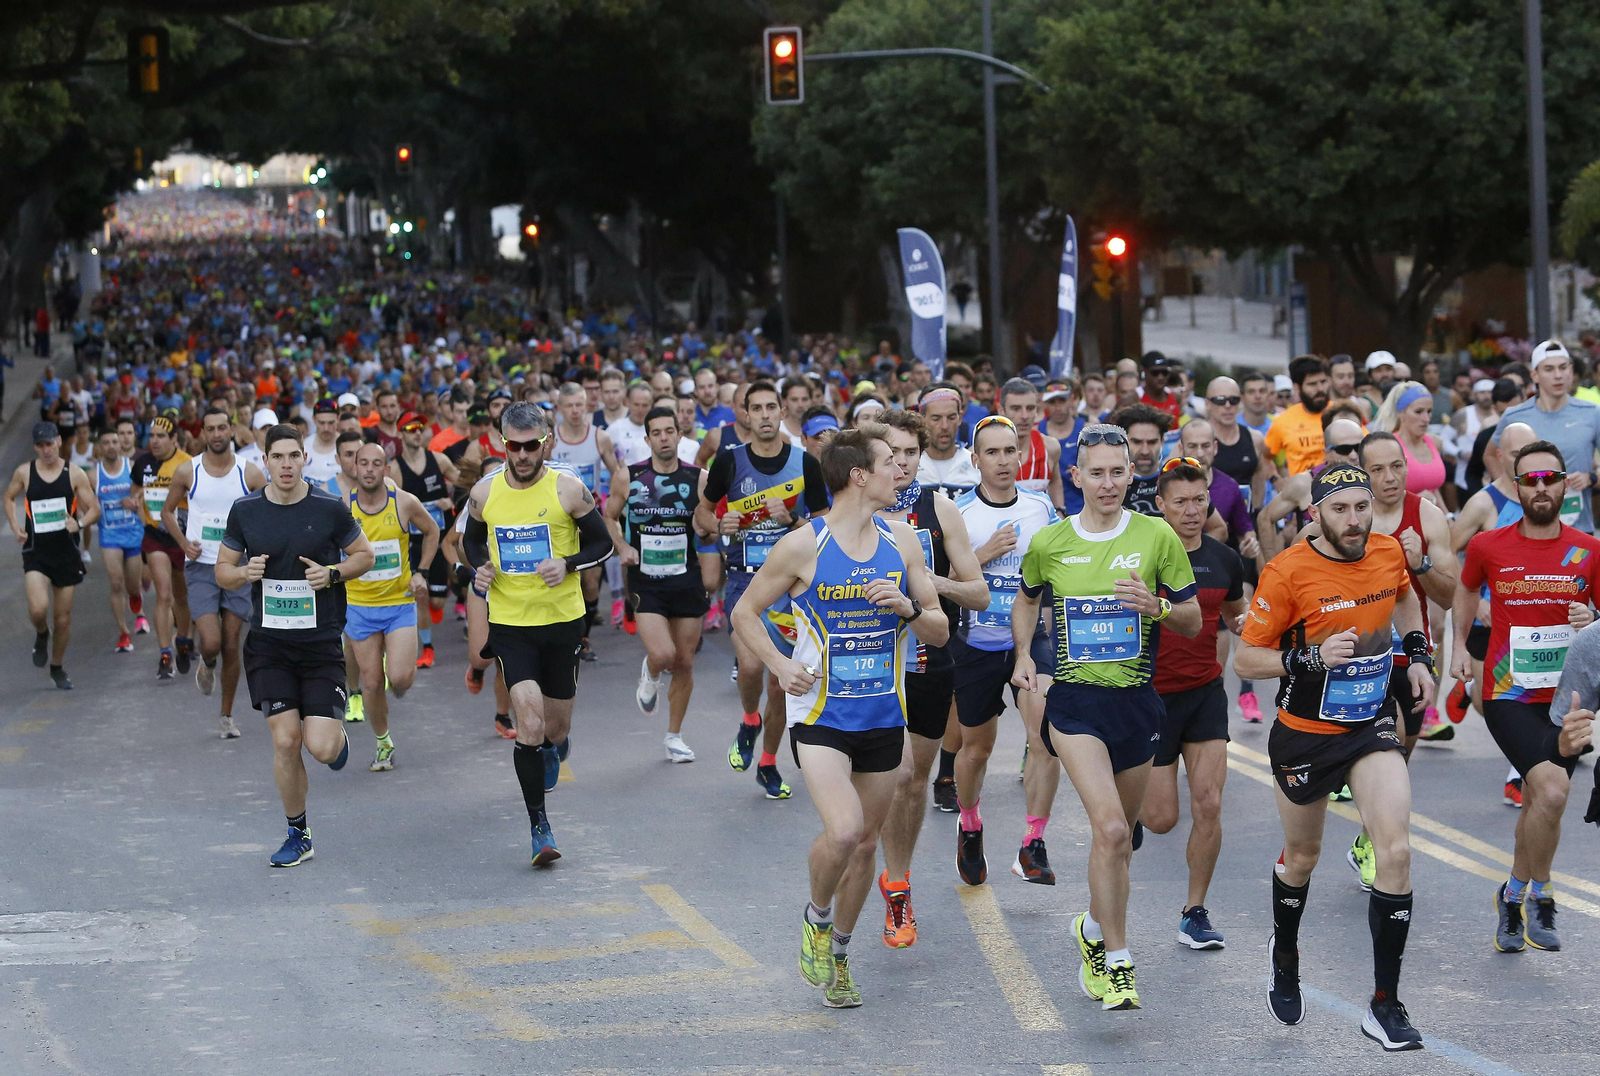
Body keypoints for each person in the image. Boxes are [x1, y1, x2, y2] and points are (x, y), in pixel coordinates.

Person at [730, 424, 947, 1009]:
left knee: (867, 842)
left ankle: (842, 954)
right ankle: (817, 917)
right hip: (820, 711)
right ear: (858, 475)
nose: (898, 470)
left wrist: (906, 608)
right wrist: (777, 663)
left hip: (883, 711)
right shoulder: (805, 544)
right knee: (845, 829)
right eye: (887, 462)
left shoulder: (902, 541)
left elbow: (939, 626)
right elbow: (744, 611)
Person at [1235, 464, 1433, 1051]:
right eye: (1340, 509)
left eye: (1362, 507)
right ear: (1316, 511)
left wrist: (1417, 654)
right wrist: (1312, 658)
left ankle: (1384, 1004)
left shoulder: (1386, 551)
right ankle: (1286, 950)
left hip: (1369, 726)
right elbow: (1247, 660)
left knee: (1394, 849)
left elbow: (1403, 601)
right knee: (1303, 856)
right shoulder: (1288, 570)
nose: (1354, 520)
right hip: (1304, 734)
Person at [1010, 426, 1201, 1012]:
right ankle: (1116, 961)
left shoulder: (1157, 536)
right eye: (1097, 472)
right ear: (1077, 477)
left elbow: (1193, 619)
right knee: (1112, 829)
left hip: (1136, 705)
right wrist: (1022, 654)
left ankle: (1093, 928)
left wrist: (1158, 606)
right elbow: (1026, 598)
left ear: (1130, 474)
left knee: (1124, 841)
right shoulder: (1051, 542)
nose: (1110, 483)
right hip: (1074, 707)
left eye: (1119, 472)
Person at [1452, 439, 1600, 954]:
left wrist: (1593, 618)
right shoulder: (1490, 545)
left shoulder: (1589, 549)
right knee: (1553, 790)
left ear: (1566, 483)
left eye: (1550, 478)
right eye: (1530, 480)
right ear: (1516, 487)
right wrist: (1458, 649)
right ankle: (1541, 895)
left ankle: (1512, 896)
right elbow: (1465, 590)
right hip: (1508, 693)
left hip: (1570, 699)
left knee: (1542, 801)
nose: (1541, 487)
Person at [462, 402, 616, 866]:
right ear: (502, 442)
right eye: (515, 445)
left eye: (532, 445)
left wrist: (567, 564)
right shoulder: (484, 493)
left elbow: (602, 542)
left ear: (546, 442)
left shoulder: (567, 488)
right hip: (511, 623)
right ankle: (539, 827)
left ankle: (553, 745)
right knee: (527, 723)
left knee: (555, 726)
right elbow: (471, 540)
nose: (524, 454)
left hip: (562, 621)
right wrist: (480, 567)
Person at [215, 425, 375, 868]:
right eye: (277, 457)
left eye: (293, 456)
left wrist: (334, 574)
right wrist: (243, 573)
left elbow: (365, 555)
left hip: (320, 645)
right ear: (264, 461)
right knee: (286, 741)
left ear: (305, 458)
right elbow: (222, 570)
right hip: (269, 646)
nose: (285, 465)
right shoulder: (245, 510)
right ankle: (298, 833)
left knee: (319, 748)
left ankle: (336, 742)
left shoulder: (328, 507)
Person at [873, 408, 989, 947]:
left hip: (928, 659)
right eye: (890, 453)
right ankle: (877, 878)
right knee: (888, 780)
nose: (900, 464)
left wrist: (922, 580)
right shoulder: (851, 512)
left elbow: (979, 593)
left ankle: (898, 886)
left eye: (910, 453)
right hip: (866, 663)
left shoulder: (939, 509)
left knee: (912, 781)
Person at [696, 381, 828, 800]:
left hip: (790, 587)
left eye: (774, 407)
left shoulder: (805, 463)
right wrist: (719, 524)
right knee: (752, 667)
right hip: (744, 579)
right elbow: (702, 509)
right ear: (746, 416)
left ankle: (768, 762)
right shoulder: (729, 462)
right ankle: (749, 719)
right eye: (758, 408)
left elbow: (825, 520)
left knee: (780, 683)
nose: (767, 415)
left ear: (783, 412)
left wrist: (792, 520)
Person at [948, 415, 1061, 888]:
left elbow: (1058, 575)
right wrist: (986, 554)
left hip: (1030, 642)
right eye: (990, 452)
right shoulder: (958, 512)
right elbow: (941, 586)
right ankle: (970, 824)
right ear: (974, 460)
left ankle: (1033, 844)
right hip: (975, 643)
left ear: (1021, 455)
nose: (1001, 460)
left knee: (1046, 738)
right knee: (977, 749)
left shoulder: (1040, 509)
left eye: (1009, 450)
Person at [1139, 459, 1247, 949]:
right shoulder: (1141, 557)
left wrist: (1249, 626)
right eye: (1179, 502)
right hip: (1152, 696)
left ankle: (1195, 911)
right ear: (1160, 506)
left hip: (1205, 693)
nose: (1190, 510)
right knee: (1160, 819)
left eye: (1198, 500)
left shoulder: (1224, 558)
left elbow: (1233, 612)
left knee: (1210, 802)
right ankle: (1131, 812)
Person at [604, 405, 706, 761]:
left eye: (670, 431)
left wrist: (707, 527)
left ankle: (674, 737)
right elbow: (610, 516)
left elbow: (707, 520)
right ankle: (649, 672)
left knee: (685, 663)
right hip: (645, 579)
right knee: (664, 654)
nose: (664, 438)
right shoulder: (629, 476)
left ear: (680, 434)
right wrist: (623, 546)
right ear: (647, 439)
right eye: (656, 433)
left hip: (687, 577)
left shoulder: (699, 477)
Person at [163, 406, 268, 740]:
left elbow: (269, 514)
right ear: (203, 433)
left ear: (232, 429)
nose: (218, 434)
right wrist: (182, 543)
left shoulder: (249, 474)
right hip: (202, 567)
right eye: (211, 429)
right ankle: (206, 663)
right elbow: (166, 511)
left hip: (236, 568)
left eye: (223, 428)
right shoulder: (187, 471)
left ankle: (226, 716)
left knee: (231, 642)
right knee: (210, 641)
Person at [343, 442, 439, 772]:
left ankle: (395, 676)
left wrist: (422, 572)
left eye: (377, 464)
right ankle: (383, 743)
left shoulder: (404, 502)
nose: (369, 469)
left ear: (386, 469)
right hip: (358, 606)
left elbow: (432, 530)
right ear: (354, 469)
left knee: (400, 679)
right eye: (363, 463)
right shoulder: (343, 507)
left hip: (398, 603)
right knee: (370, 683)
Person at [5, 422, 99, 689]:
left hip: (66, 552)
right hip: (36, 551)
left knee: (63, 617)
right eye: (40, 445)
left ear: (59, 441)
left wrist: (79, 524)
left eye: (50, 444)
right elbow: (9, 497)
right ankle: (41, 632)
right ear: (35, 446)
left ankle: (57, 667)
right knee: (38, 608)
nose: (46, 450)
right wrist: (14, 524)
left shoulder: (75, 474)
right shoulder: (25, 472)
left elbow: (94, 509)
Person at [1492, 339, 1600, 534]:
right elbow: (1491, 456)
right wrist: (1508, 493)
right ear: (1534, 375)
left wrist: (1591, 477)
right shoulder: (1514, 416)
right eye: (1549, 369)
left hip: (1579, 527)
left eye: (1563, 368)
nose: (1558, 375)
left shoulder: (1592, 412)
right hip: (1527, 527)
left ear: (1571, 371)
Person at [550, 382, 623, 648]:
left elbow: (617, 475)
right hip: (558, 520)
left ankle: (584, 637)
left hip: (589, 517)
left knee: (591, 584)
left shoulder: (599, 437)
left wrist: (613, 511)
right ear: (560, 409)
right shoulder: (552, 439)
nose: (575, 411)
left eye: (579, 405)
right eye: (569, 406)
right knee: (565, 580)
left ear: (587, 405)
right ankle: (566, 636)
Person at [390, 411, 460, 668]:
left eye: (420, 427)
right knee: (420, 594)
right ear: (400, 434)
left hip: (439, 539)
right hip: (413, 543)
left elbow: (464, 483)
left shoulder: (438, 461)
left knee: (437, 600)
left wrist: (451, 500)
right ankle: (427, 648)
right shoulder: (395, 470)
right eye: (410, 429)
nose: (417, 432)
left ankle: (436, 604)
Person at [131, 415, 195, 680]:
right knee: (164, 594)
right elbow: (136, 489)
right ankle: (164, 652)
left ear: (174, 440)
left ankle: (182, 639)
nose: (154, 441)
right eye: (151, 436)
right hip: (155, 536)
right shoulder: (143, 463)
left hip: (182, 537)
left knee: (181, 596)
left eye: (160, 436)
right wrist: (134, 502)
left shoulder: (187, 464)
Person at [1256, 418, 1367, 560]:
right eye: (1344, 449)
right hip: (1314, 572)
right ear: (1326, 453)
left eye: (1359, 448)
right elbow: (1265, 518)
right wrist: (1272, 568)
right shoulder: (1305, 482)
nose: (1353, 456)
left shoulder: (1373, 478)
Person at [93, 426, 146, 653]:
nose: (112, 446)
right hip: (110, 536)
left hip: (133, 534)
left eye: (115, 441)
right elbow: (87, 501)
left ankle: (135, 598)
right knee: (116, 582)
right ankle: (124, 633)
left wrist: (135, 502)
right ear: (100, 447)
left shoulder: (132, 468)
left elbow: (144, 493)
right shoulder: (93, 475)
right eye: (107, 442)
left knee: (133, 587)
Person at [1204, 377, 1274, 510]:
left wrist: (1256, 513)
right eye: (1220, 400)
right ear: (1208, 404)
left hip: (1244, 521)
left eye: (1233, 400)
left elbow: (1259, 478)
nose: (1228, 406)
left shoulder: (1255, 438)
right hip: (1208, 521)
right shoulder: (1196, 439)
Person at [999, 378, 1064, 510]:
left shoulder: (1050, 447)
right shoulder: (984, 453)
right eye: (1016, 408)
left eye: (1030, 408)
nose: (1024, 416)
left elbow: (1055, 482)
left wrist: (1060, 510)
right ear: (1001, 410)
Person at [1375, 382, 1446, 502]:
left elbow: (1433, 489)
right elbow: (1379, 494)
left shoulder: (1435, 442)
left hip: (1432, 518)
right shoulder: (1388, 446)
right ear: (1401, 413)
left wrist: (1448, 517)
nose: (1426, 419)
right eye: (1418, 412)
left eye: (1429, 411)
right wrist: (1415, 500)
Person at [1265, 356, 1333, 479]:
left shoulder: (1342, 413)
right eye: (1312, 384)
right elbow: (1264, 458)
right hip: (1303, 493)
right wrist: (1276, 481)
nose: (1320, 389)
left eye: (1323, 382)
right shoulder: (1283, 421)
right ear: (1297, 388)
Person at [916, 385, 981, 497]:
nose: (944, 426)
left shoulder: (975, 464)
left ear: (960, 418)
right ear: (922, 419)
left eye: (951, 418)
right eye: (936, 418)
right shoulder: (909, 464)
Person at [303, 398, 341, 488]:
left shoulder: (347, 447)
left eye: (331, 423)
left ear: (338, 419)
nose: (326, 428)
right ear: (314, 420)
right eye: (321, 423)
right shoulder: (304, 446)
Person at [1240, 372, 1277, 437]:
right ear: (1242, 397)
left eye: (1262, 391)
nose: (1257, 396)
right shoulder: (1232, 427)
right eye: (1251, 392)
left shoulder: (1276, 428)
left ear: (1268, 396)